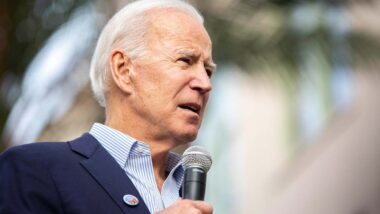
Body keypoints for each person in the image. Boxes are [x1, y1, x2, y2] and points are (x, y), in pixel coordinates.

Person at [0, 0, 216, 213]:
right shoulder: (34, 170)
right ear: (123, 70)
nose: (205, 84)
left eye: (208, 70)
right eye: (185, 60)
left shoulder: (190, 195)